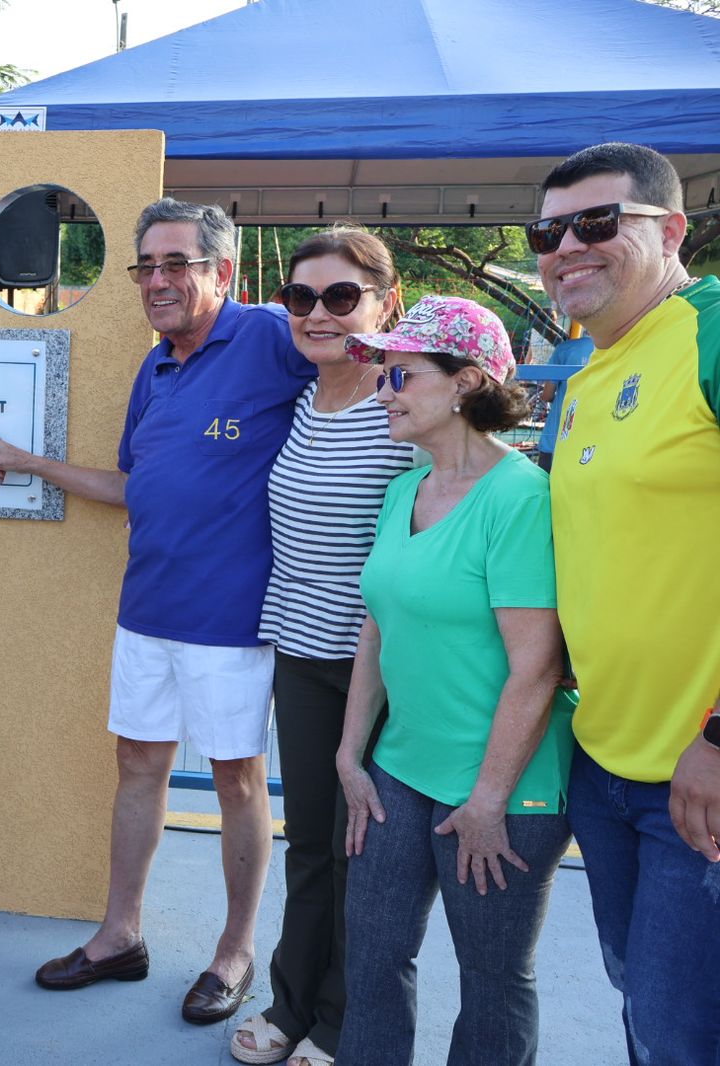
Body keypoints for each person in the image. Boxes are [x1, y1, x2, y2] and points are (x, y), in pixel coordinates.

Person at [0, 199, 314, 1024]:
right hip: (146, 609)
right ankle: (119, 934)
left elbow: (361, 376)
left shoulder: (271, 337)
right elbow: (133, 486)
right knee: (137, 767)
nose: (157, 282)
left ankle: (234, 953)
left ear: (221, 272)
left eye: (177, 265)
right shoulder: (155, 364)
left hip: (233, 621)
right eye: (145, 267)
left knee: (237, 780)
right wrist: (31, 465)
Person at [332, 296, 574, 1065]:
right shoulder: (405, 490)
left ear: (467, 381)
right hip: (399, 767)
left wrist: (489, 800)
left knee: (493, 979)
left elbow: (537, 668)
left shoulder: (519, 499)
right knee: (370, 961)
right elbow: (379, 624)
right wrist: (350, 754)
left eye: (400, 374)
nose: (384, 391)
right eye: (381, 376)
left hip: (504, 785)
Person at [536, 142, 720, 1066]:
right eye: (550, 230)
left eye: (598, 223)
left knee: (680, 1033)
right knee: (646, 1014)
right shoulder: (582, 378)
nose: (568, 245)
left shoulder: (711, 332)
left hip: (701, 776)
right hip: (603, 763)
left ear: (672, 229)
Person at [232, 228, 415, 1066]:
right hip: (301, 654)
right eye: (300, 298)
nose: (317, 313)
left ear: (385, 304)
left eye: (341, 296)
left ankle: (344, 1024)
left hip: (381, 671)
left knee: (361, 856)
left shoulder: (404, 407)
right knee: (312, 842)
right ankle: (292, 1003)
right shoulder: (305, 400)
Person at [531, 333, 592, 472]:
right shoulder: (614, 349)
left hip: (555, 437)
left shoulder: (565, 348)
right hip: (591, 444)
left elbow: (547, 395)